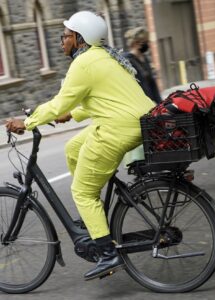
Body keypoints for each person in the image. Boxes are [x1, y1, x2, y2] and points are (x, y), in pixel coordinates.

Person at [5, 11, 155, 280]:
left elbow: (60, 101)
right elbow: (102, 97)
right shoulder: (103, 57)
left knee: (81, 191)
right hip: (134, 122)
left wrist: (26, 124)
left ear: (79, 38)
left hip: (118, 128)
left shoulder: (84, 63)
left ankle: (107, 254)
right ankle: (93, 218)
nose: (61, 40)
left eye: (65, 35)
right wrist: (71, 115)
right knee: (73, 148)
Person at [124, 27, 162, 104]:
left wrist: (160, 103)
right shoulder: (127, 61)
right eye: (146, 42)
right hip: (139, 104)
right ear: (136, 43)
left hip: (151, 103)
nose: (148, 44)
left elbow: (152, 83)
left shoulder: (144, 58)